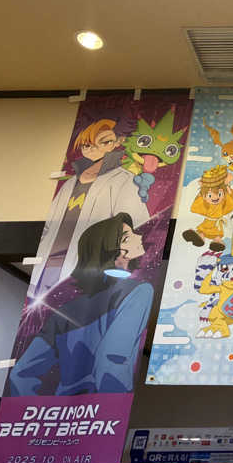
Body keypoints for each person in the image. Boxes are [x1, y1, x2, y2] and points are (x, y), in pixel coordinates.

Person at [10, 213, 152, 396]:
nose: (139, 236)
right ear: (116, 251)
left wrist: (38, 410)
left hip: (64, 409)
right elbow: (113, 359)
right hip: (105, 406)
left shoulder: (65, 310)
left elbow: (21, 374)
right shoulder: (138, 292)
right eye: (127, 237)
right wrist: (111, 405)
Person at [32, 119, 150, 296]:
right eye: (87, 145)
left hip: (90, 272)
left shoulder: (124, 181)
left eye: (104, 142)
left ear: (118, 142)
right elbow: (48, 227)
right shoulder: (70, 183)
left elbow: (136, 226)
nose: (94, 149)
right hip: (48, 267)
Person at [183, 165, 233, 252]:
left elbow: (229, 203)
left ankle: (216, 242)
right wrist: (201, 191)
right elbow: (199, 203)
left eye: (219, 194)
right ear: (204, 196)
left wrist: (228, 188)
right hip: (210, 221)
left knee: (215, 233)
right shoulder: (205, 201)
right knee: (206, 231)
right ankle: (200, 237)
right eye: (210, 196)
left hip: (216, 222)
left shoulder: (223, 201)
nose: (215, 198)